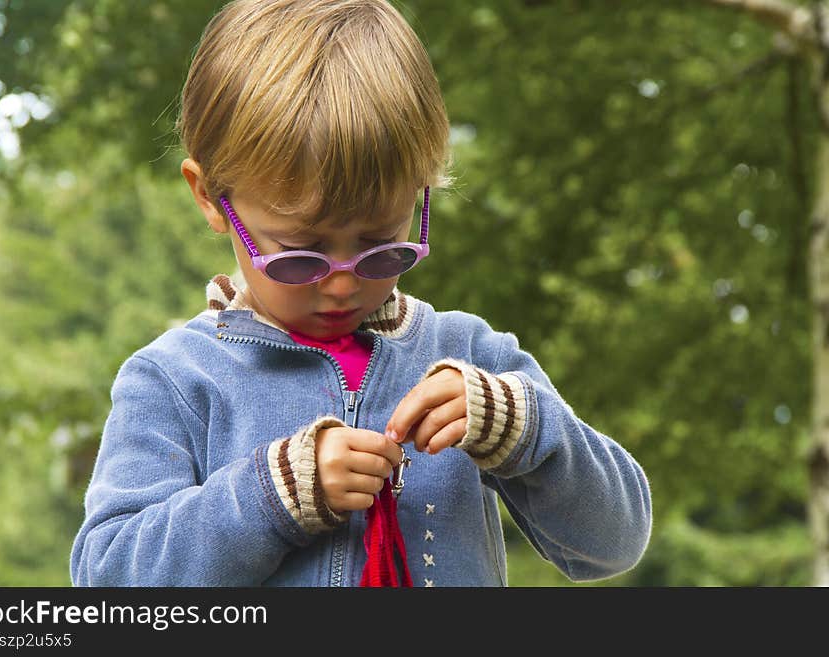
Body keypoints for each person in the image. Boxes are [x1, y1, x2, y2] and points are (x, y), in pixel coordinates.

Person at [70, 0, 651, 587]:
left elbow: (614, 542)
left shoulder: (469, 355)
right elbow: (109, 577)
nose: (344, 283)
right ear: (210, 198)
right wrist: (272, 494)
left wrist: (525, 428)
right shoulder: (175, 380)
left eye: (380, 245)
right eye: (299, 254)